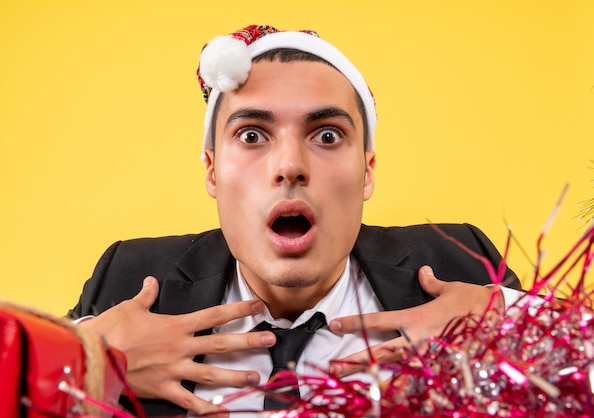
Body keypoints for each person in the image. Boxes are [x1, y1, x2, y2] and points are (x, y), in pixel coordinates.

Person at [70, 24, 521, 416]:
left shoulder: (462, 263)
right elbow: (6, 386)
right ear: (211, 169)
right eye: (252, 135)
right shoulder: (127, 281)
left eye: (326, 135)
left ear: (367, 171)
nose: (290, 165)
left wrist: (517, 323)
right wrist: (83, 359)